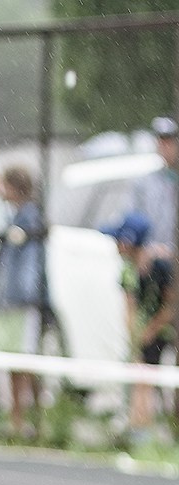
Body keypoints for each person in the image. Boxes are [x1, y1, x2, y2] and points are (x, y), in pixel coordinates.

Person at [103, 212, 175, 435]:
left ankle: (145, 426)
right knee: (140, 375)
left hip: (163, 329)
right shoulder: (128, 269)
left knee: (148, 378)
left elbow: (170, 306)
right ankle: (139, 427)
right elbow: (130, 307)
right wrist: (136, 337)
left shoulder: (161, 266)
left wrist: (151, 330)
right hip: (143, 332)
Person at [0, 164, 48, 435]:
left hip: (24, 301)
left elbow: (30, 268)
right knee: (17, 359)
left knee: (25, 360)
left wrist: (27, 296)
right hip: (14, 300)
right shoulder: (14, 217)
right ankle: (23, 418)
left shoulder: (29, 218)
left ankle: (27, 419)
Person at [131, 115, 178, 260]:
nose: (164, 147)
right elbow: (134, 219)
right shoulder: (147, 182)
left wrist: (170, 250)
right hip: (153, 263)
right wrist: (148, 248)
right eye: (161, 142)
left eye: (169, 142)